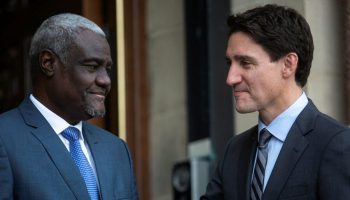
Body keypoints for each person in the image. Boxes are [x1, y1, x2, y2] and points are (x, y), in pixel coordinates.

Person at [202, 4, 350, 200]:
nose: (231, 78)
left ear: (288, 65)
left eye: (245, 63)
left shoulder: (336, 143)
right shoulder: (234, 151)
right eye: (230, 63)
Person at [0, 13, 138, 200]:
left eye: (107, 69)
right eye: (91, 66)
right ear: (48, 63)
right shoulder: (5, 138)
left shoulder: (116, 149)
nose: (105, 80)